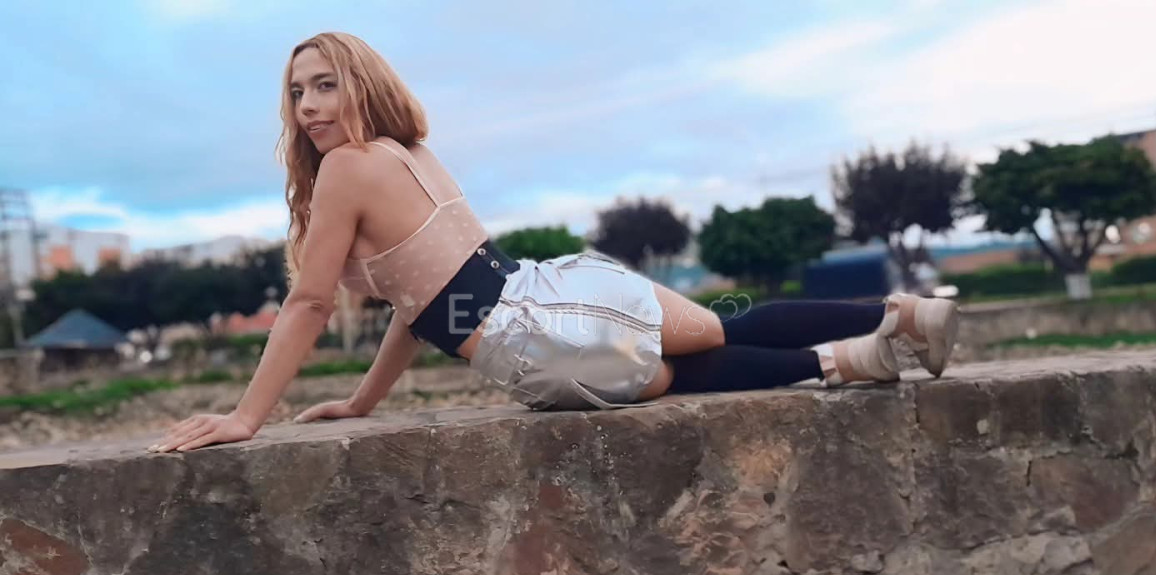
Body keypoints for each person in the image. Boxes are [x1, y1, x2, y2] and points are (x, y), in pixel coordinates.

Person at [148, 32, 959, 454]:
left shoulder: (346, 170)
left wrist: (247, 418)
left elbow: (309, 302)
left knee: (689, 370)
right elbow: (423, 300)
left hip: (529, 336)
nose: (308, 107)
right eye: (297, 92)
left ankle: (850, 358)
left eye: (325, 85)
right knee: (718, 327)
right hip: (555, 287)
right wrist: (363, 402)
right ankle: (897, 315)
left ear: (362, 83)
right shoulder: (407, 152)